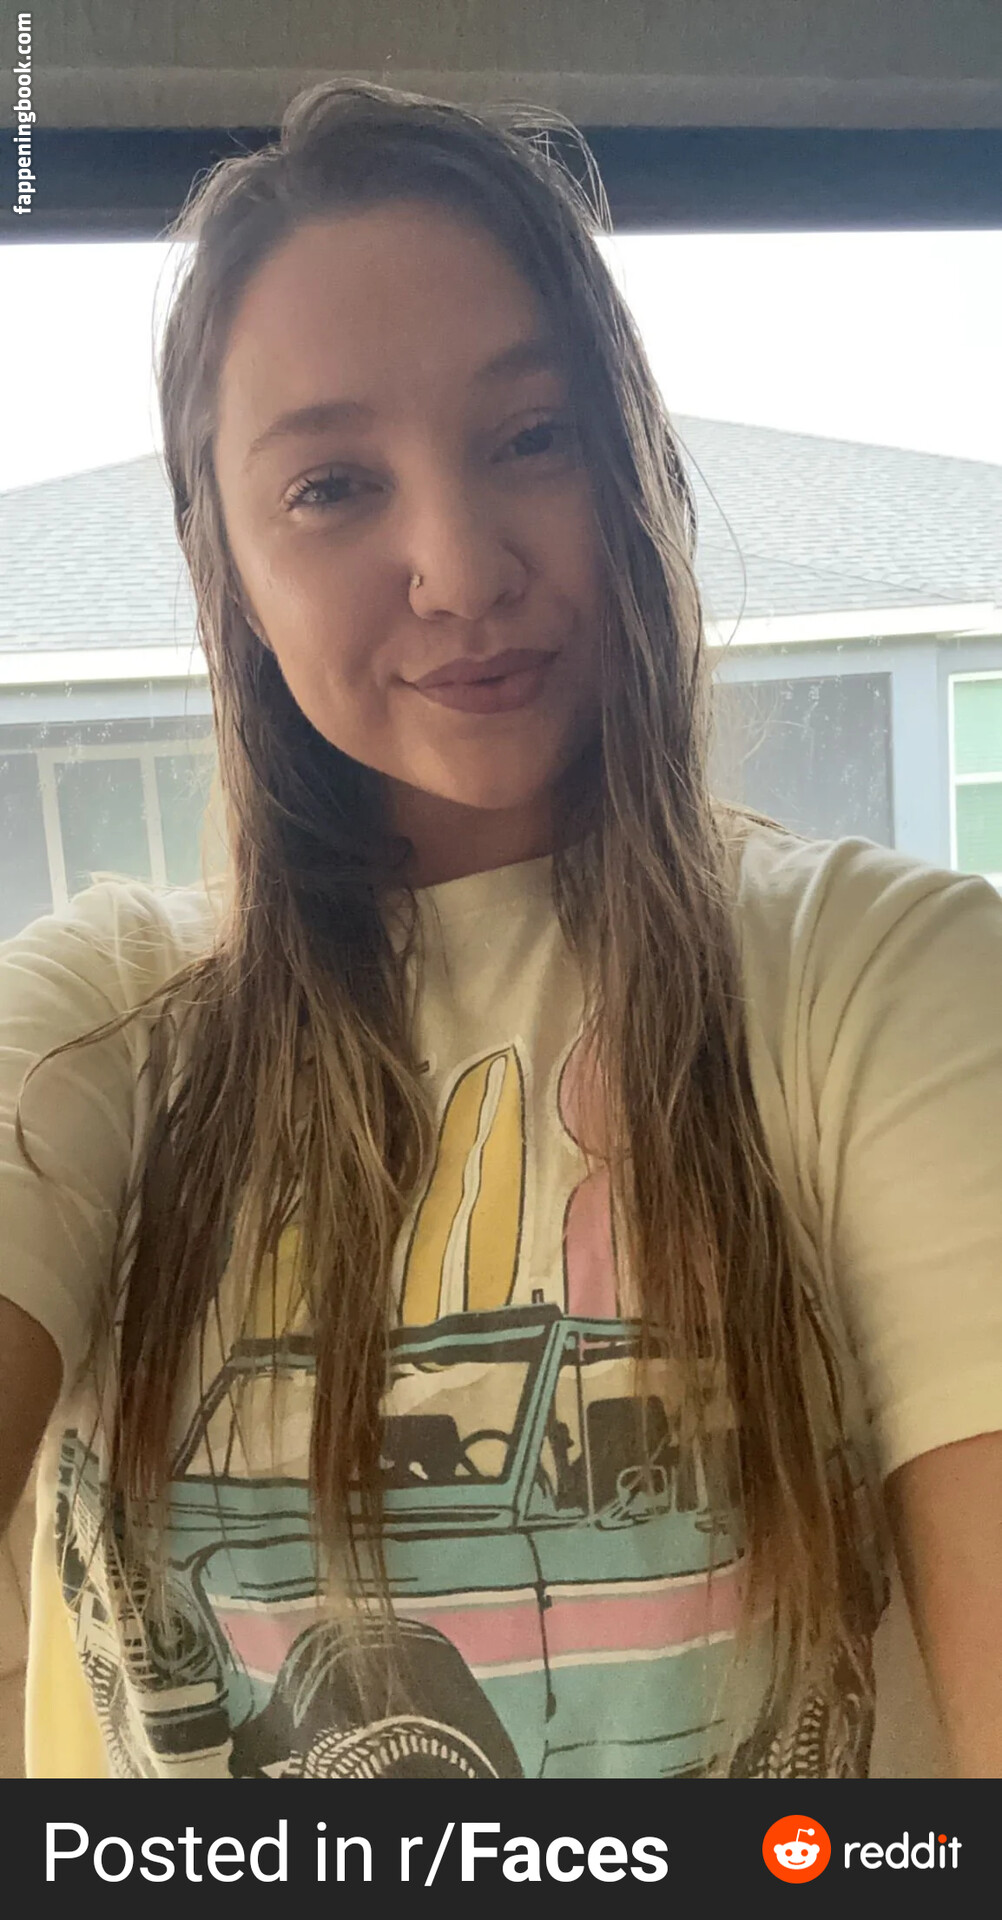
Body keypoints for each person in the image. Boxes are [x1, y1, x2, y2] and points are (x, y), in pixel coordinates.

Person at [1, 78, 1001, 1782]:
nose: (459, 570)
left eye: (531, 437)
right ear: (221, 558)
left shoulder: (885, 985)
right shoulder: (98, 1025)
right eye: (331, 484)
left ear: (636, 467)